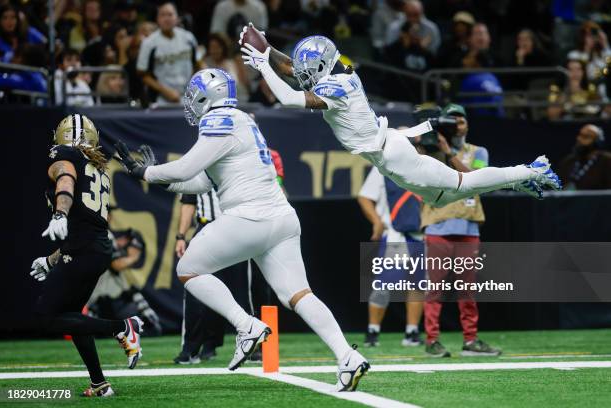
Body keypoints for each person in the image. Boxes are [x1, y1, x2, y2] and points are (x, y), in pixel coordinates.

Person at [114, 68, 369, 391]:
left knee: (188, 270)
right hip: (281, 218)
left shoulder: (218, 119)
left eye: (195, 96)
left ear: (210, 96)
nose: (191, 103)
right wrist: (157, 178)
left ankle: (246, 325)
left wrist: (146, 172)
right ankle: (346, 356)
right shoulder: (241, 119)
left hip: (251, 216)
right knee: (298, 294)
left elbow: (186, 167)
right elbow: (201, 180)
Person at [239, 27, 562, 208]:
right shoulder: (340, 73)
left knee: (461, 184)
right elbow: (292, 70)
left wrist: (261, 64)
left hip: (391, 154)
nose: (304, 73)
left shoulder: (336, 87)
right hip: (389, 150)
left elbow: (289, 98)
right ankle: (522, 178)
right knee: (443, 198)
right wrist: (266, 49)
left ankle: (529, 169)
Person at [29, 114, 143, 397]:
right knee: (71, 316)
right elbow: (85, 227)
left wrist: (59, 212)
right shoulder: (98, 166)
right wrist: (50, 259)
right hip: (94, 248)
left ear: (62, 136)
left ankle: (122, 327)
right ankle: (99, 384)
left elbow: (65, 179)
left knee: (47, 317)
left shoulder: (64, 155)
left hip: (84, 249)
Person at [419, 104, 501, 358]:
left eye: (460, 120)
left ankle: (471, 340)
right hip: (438, 225)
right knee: (435, 288)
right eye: (451, 120)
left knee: (468, 290)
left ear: (467, 125)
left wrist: (449, 152)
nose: (457, 125)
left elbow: (476, 180)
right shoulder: (429, 151)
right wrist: (427, 143)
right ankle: (432, 340)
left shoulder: (479, 152)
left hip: (468, 227)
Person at [173, 191, 251, 364]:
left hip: (237, 228)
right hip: (207, 227)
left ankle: (251, 345)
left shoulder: (239, 163)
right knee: (194, 286)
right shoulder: (196, 166)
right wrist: (181, 235)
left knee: (242, 291)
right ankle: (191, 347)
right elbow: (188, 200)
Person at [358, 166, 424, 348]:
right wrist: (376, 221)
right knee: (384, 283)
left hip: (420, 234)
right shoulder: (383, 167)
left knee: (418, 284)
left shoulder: (425, 163)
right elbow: (364, 197)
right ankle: (373, 330)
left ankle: (412, 332)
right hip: (396, 234)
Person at [136, 2, 199, 105]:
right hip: (161, 99)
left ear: (177, 18)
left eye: (170, 14)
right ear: (157, 19)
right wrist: (165, 91)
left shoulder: (188, 38)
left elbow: (198, 63)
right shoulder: (149, 43)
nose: (167, 18)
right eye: (163, 15)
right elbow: (142, 74)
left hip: (189, 96)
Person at [557, 124, 611, 190]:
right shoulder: (568, 161)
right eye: (580, 135)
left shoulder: (607, 161)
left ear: (597, 142)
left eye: (585, 137)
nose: (579, 139)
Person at [202, 33, 250, 101]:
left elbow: (241, 85)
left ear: (223, 48)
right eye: (212, 47)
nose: (215, 51)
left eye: (218, 47)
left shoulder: (232, 63)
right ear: (208, 49)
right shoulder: (205, 64)